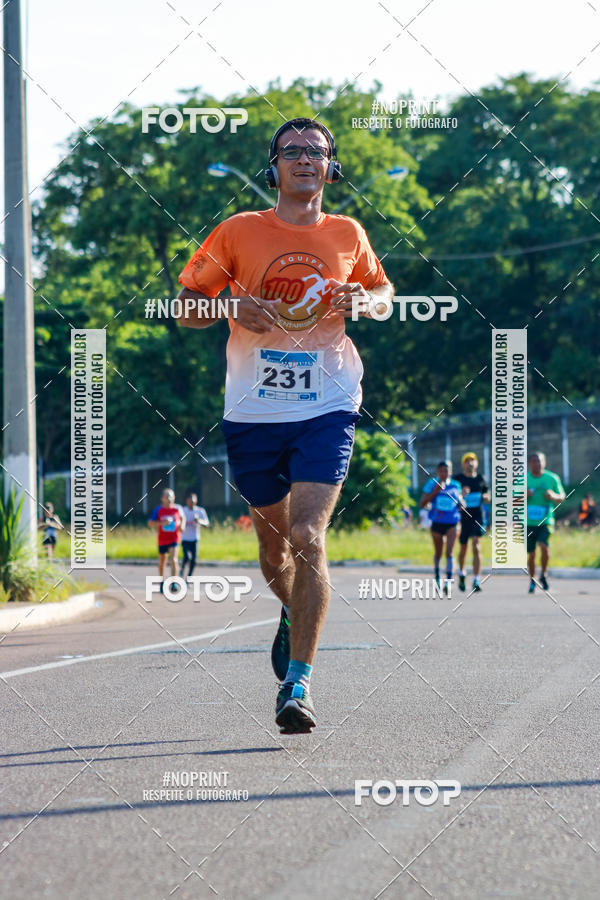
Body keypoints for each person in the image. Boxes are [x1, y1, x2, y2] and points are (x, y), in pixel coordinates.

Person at [176, 117, 393, 733]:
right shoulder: (238, 231)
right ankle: (291, 612)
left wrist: (367, 302)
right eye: (291, 151)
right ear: (273, 167)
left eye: (315, 152)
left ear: (330, 167)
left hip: (329, 403)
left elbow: (382, 292)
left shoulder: (348, 232)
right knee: (274, 550)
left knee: (308, 535)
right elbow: (182, 307)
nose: (304, 160)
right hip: (253, 411)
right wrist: (225, 305)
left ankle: (297, 684)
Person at [420, 461, 463, 594]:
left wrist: (462, 503)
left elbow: (461, 501)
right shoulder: (432, 483)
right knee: (438, 552)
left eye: (447, 470)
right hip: (437, 522)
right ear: (438, 472)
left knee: (449, 552)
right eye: (442, 471)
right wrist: (435, 491)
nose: (445, 473)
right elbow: (422, 503)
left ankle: (448, 581)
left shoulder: (456, 485)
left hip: (452, 522)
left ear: (450, 471)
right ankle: (437, 576)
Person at [526, 452, 566, 593]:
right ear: (529, 464)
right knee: (531, 554)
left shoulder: (552, 478)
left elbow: (562, 496)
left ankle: (543, 574)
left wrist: (553, 496)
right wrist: (524, 495)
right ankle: (532, 579)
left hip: (546, 520)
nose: (537, 464)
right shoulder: (523, 479)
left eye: (540, 461)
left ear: (544, 463)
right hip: (528, 522)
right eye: (534, 461)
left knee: (544, 546)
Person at [455, 452, 490, 593]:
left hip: (477, 516)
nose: (470, 463)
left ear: (476, 463)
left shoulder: (481, 478)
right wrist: (461, 495)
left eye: (473, 461)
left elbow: (487, 494)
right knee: (463, 548)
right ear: (463, 464)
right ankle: (462, 573)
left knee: (476, 544)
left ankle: (476, 578)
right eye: (467, 461)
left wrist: (487, 497)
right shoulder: (458, 479)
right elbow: (452, 494)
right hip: (462, 518)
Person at [148, 489, 185, 591]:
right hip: (162, 539)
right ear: (162, 498)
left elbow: (183, 518)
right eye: (167, 496)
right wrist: (162, 523)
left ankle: (174, 583)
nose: (169, 498)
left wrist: (182, 525)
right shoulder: (158, 509)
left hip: (174, 538)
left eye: (171, 496)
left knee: (173, 559)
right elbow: (150, 523)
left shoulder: (178, 508)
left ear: (174, 498)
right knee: (162, 562)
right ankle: (162, 582)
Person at [180, 493, 210, 579]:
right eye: (189, 501)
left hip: (195, 539)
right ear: (187, 501)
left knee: (194, 560)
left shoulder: (200, 511)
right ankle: (182, 569)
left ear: (196, 501)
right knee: (187, 556)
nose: (191, 503)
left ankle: (189, 578)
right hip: (185, 538)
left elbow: (207, 523)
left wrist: (199, 521)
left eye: (193, 501)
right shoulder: (183, 510)